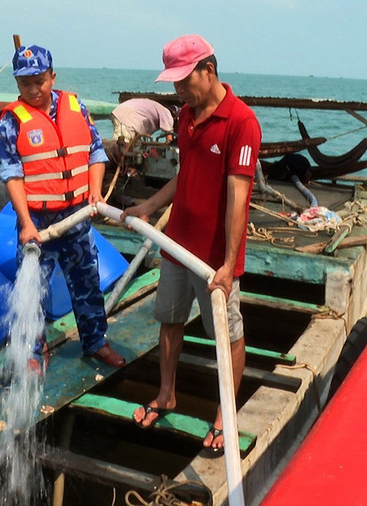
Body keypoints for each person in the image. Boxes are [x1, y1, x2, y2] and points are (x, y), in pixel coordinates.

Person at [124, 34, 261, 458]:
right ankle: (167, 394)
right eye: (174, 83)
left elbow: (239, 197)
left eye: (184, 80)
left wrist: (227, 263)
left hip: (214, 258)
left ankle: (225, 414)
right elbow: (185, 175)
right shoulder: (186, 116)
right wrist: (148, 205)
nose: (178, 90)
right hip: (176, 244)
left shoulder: (242, 123)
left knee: (226, 333)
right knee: (169, 319)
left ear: (209, 70)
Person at [0, 44, 127, 373]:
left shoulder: (75, 106)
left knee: (87, 281)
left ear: (52, 77)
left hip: (77, 216)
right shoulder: (11, 121)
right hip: (37, 220)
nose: (33, 89)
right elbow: (12, 175)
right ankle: (31, 352)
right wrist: (25, 223)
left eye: (39, 80)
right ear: (16, 84)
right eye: (25, 83)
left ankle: (96, 342)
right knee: (32, 289)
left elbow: (96, 152)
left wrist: (95, 192)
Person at [111, 98, 175, 145]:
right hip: (126, 116)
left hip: (121, 111)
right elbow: (169, 138)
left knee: (133, 145)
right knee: (122, 145)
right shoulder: (167, 113)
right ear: (174, 117)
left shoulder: (158, 107)